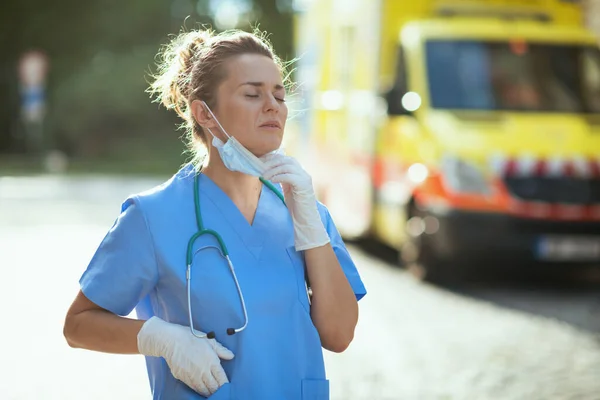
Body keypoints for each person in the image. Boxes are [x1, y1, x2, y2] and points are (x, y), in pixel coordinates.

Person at [62, 27, 366, 400]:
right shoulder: (153, 216)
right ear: (204, 112)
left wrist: (311, 228)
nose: (273, 105)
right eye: (253, 94)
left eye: (279, 94)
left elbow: (339, 336)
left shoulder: (306, 211)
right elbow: (78, 325)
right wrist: (161, 339)